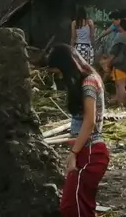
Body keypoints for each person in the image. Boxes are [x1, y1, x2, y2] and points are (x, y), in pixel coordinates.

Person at [45, 44, 109, 217]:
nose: (60, 78)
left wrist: (73, 153)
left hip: (91, 152)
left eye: (59, 73)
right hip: (85, 151)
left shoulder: (89, 82)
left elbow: (89, 122)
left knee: (72, 208)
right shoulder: (86, 82)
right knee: (80, 206)